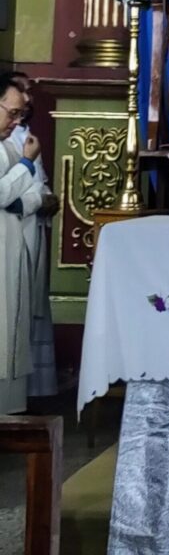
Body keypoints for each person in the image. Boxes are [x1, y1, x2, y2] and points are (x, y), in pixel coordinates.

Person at [7, 73, 58, 399]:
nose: (26, 102)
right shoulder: (11, 142)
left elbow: (37, 184)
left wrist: (46, 197)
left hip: (28, 231)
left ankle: (23, 395)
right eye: (18, 96)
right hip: (13, 227)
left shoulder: (24, 135)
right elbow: (8, 194)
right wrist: (38, 198)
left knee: (26, 308)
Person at [0, 73, 41, 413]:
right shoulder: (16, 152)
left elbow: (33, 192)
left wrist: (23, 200)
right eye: (11, 113)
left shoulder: (7, 146)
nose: (15, 123)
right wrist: (26, 164)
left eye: (19, 116)